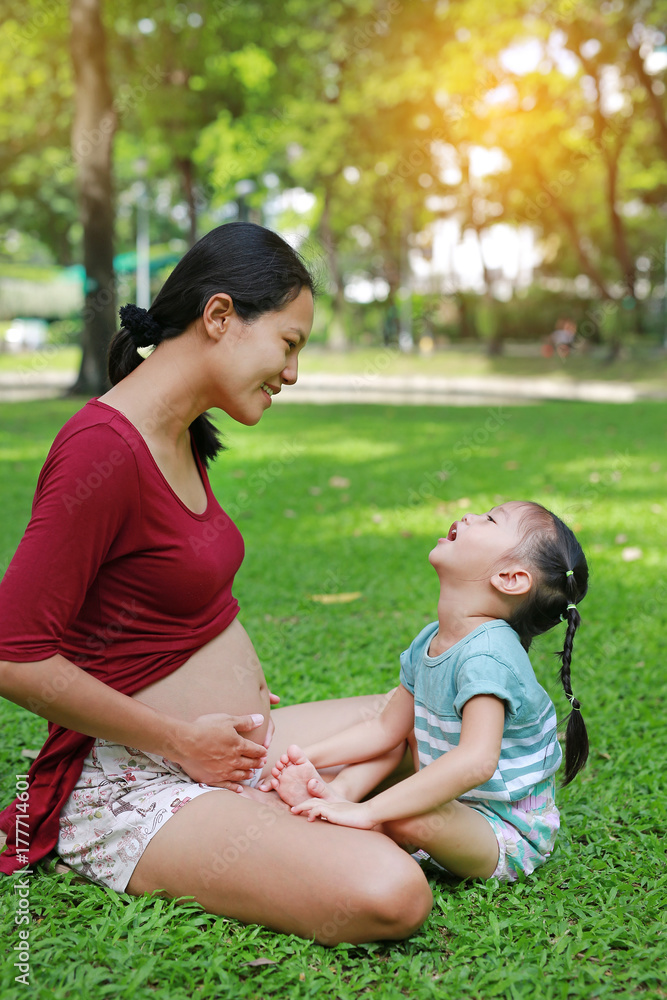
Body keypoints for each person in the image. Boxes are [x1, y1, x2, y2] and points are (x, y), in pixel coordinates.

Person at [0, 222, 432, 944]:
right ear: (220, 316)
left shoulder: (181, 431)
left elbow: (169, 601)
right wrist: (179, 737)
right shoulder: (100, 451)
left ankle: (312, 808)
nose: (292, 373)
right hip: (137, 780)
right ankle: (306, 820)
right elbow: (14, 655)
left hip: (229, 749)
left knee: (420, 723)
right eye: (289, 344)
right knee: (392, 893)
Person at [268, 501, 589, 883]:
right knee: (404, 734)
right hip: (456, 803)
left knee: (405, 813)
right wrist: (305, 758)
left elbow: (476, 762)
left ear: (509, 578)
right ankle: (338, 795)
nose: (469, 515)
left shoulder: (490, 655)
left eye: (490, 519)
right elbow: (385, 730)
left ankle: (354, 823)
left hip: (501, 831)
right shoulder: (431, 640)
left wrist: (372, 811)